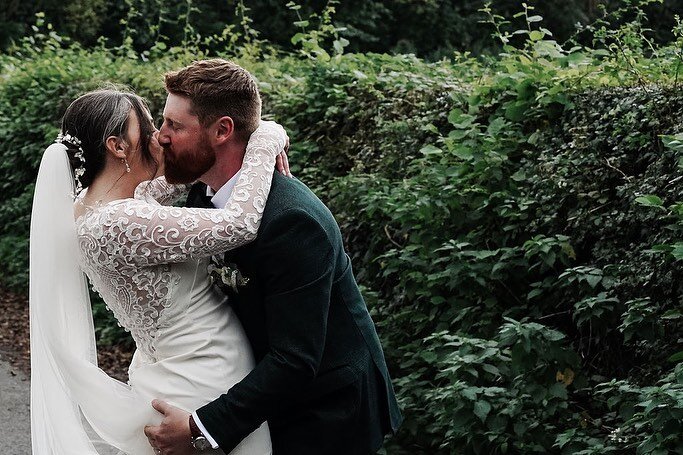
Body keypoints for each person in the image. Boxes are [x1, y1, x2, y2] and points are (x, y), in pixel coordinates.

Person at [143, 59, 402, 455]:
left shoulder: (292, 221)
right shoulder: (200, 196)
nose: (160, 136)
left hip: (327, 410)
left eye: (174, 125)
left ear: (223, 131)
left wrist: (201, 428)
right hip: (264, 393)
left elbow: (296, 360)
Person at [29, 87, 290, 454]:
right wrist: (266, 137)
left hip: (170, 371)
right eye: (149, 126)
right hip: (204, 377)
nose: (160, 136)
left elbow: (169, 182)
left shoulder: (93, 208)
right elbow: (239, 224)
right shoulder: (120, 222)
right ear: (118, 146)